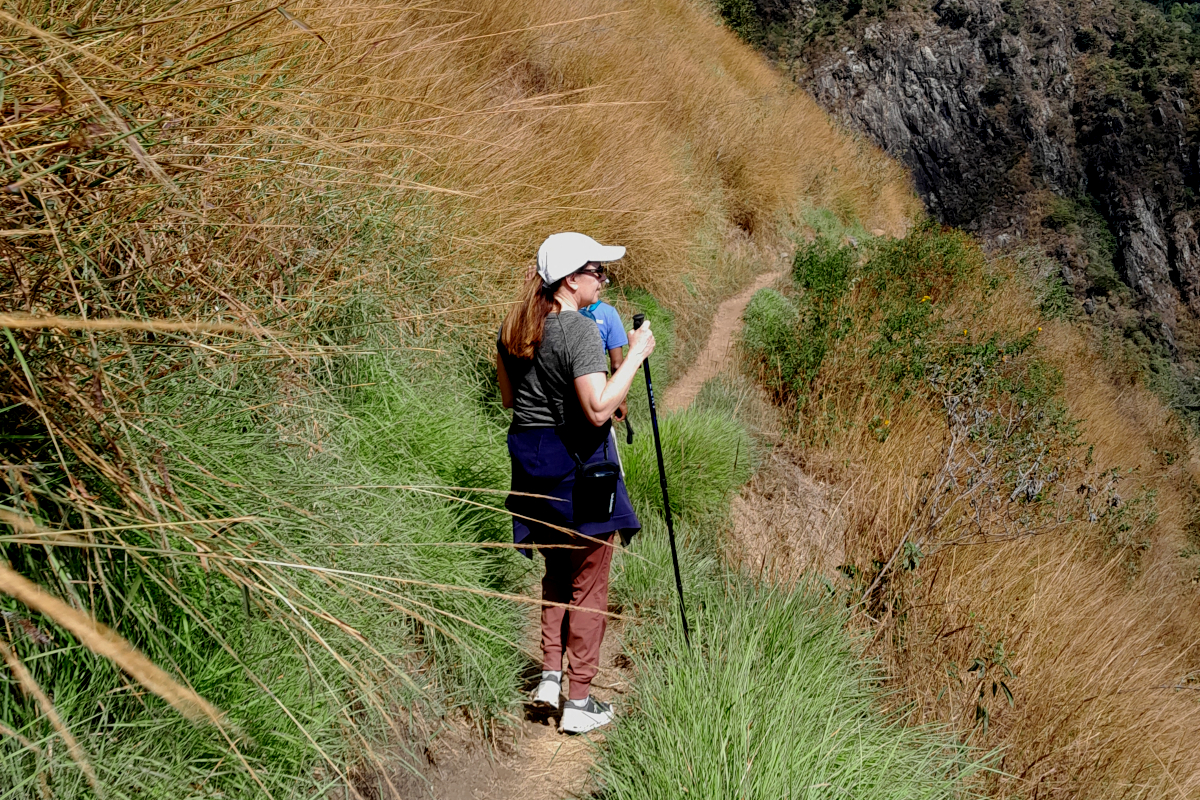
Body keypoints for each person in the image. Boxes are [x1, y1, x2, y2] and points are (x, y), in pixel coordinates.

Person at [496, 232, 655, 734]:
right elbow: (598, 407)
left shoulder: (515, 328)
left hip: (532, 472)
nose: (604, 279)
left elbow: (508, 400)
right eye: (597, 271)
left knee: (557, 573)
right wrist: (635, 355)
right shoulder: (579, 331)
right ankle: (580, 702)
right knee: (590, 582)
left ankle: (549, 675)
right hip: (578, 473)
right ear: (570, 280)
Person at [579, 299, 630, 424]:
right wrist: (620, 401)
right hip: (596, 390)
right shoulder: (609, 313)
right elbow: (617, 365)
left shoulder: (562, 311)